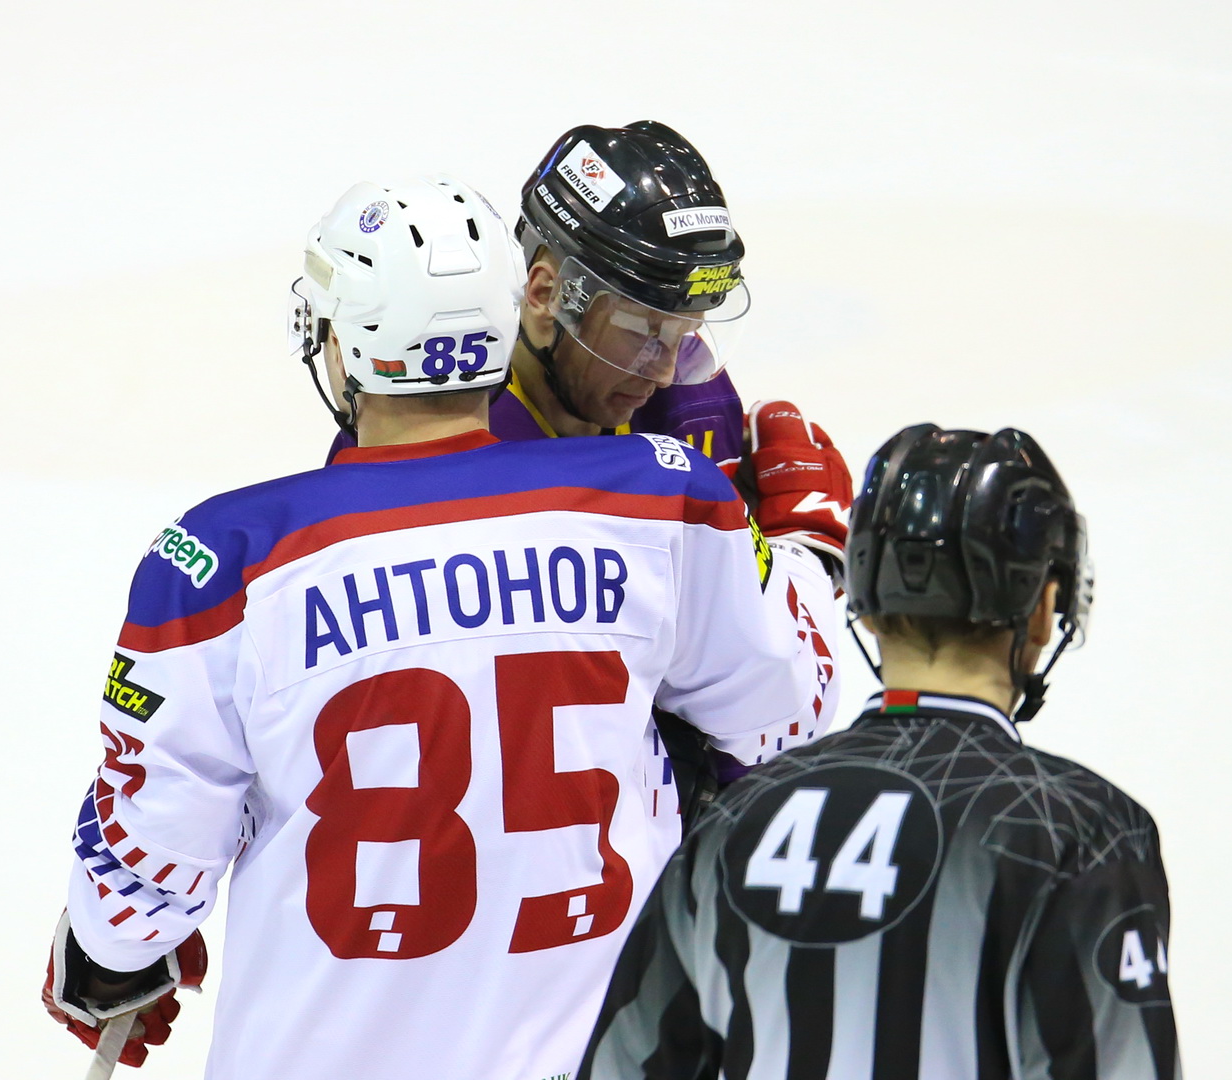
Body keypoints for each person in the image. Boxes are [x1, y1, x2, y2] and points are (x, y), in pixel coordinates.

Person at [42, 175, 842, 1079]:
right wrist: (806, 556)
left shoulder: (224, 557)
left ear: (340, 342)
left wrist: (110, 958)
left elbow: (136, 892)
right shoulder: (662, 501)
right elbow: (790, 712)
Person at [578, 425, 1181, 1080]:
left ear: (866, 609)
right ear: (1043, 610)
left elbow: (625, 1065)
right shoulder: (1086, 831)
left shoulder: (734, 819)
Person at [326, 120, 854, 828]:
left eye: (685, 329)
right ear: (546, 295)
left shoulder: (684, 404)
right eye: (641, 329)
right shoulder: (431, 440)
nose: (663, 369)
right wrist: (803, 558)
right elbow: (777, 712)